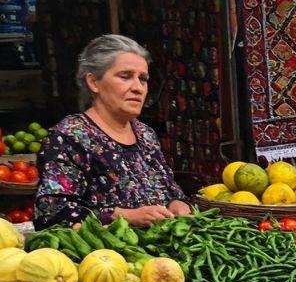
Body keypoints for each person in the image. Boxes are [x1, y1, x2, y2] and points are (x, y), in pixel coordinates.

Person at [35, 34, 191, 229]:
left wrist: (178, 203)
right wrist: (122, 216)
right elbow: (52, 213)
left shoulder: (145, 135)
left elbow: (168, 188)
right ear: (94, 82)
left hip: (161, 244)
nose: (138, 88)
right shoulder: (69, 137)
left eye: (143, 79)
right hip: (107, 248)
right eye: (125, 76)